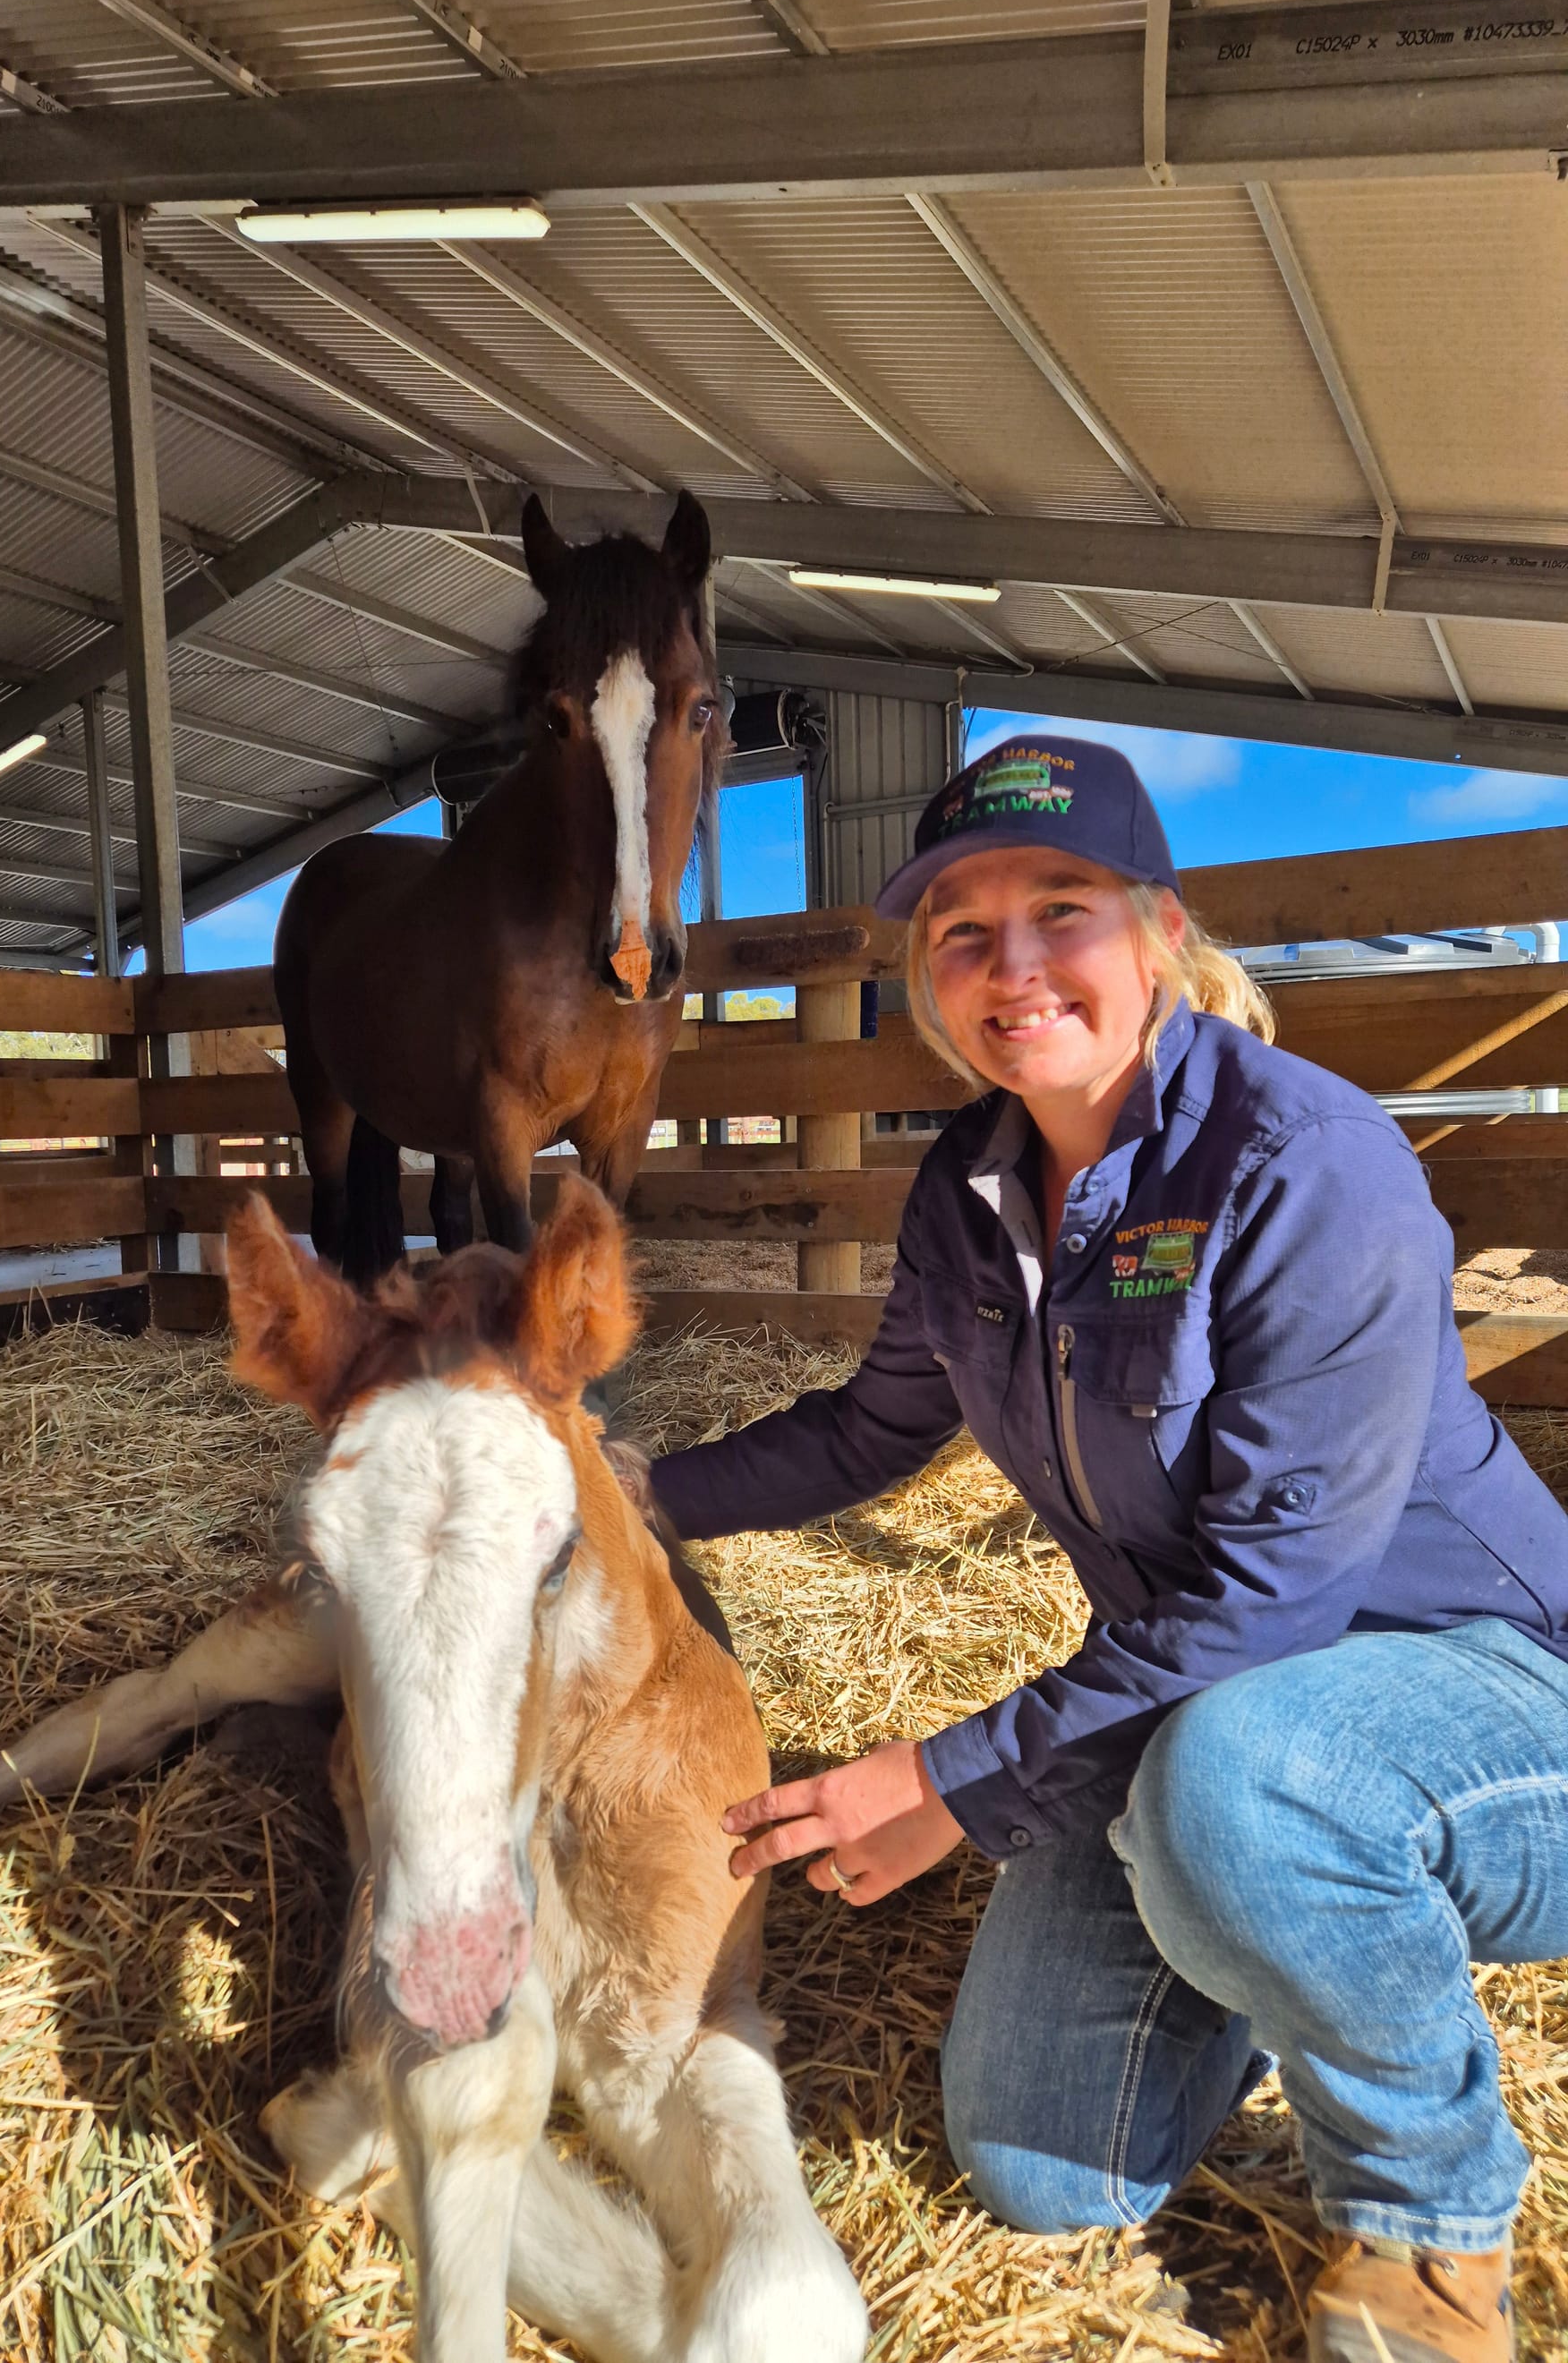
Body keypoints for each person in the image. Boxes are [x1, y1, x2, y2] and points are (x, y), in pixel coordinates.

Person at [650, 732, 1568, 2363]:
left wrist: (946, 1781)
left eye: (1059, 910)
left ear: (1155, 930)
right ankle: (1286, 1937)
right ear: (929, 987)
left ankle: (1432, 2235)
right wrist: (626, 1492)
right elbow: (872, 1432)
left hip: (1485, 1699)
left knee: (1247, 1786)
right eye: (959, 935)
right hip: (1204, 1710)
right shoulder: (971, 1191)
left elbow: (1281, 1598)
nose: (1013, 968)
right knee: (1038, 2169)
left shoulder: (1305, 1165)